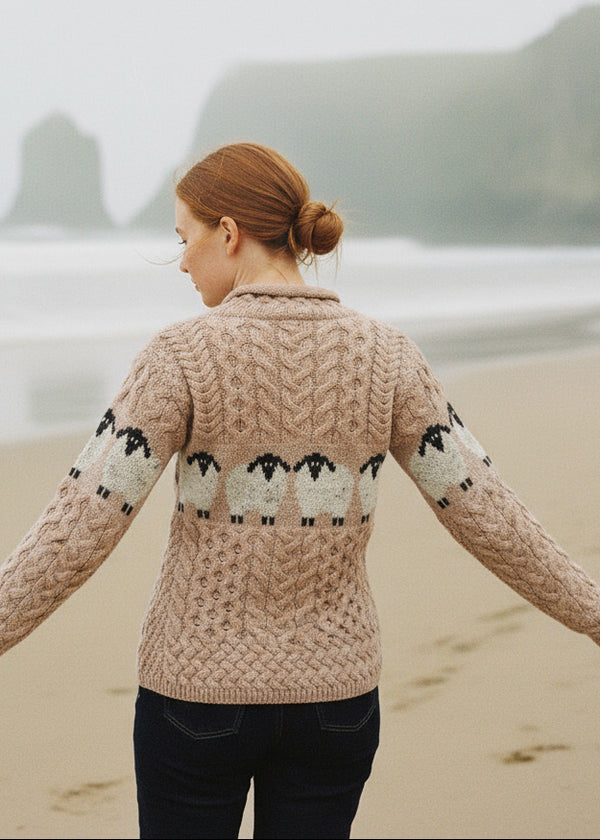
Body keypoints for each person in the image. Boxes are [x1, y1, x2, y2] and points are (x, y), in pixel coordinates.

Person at [1, 141, 600, 840]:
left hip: (197, 698)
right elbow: (485, 508)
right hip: (335, 701)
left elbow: (82, 523)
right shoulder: (387, 355)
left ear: (228, 232)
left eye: (184, 239)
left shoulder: (179, 357)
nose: (182, 261)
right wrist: (593, 613)